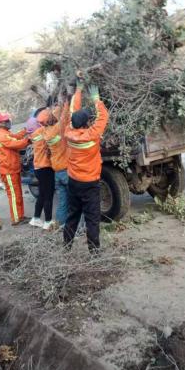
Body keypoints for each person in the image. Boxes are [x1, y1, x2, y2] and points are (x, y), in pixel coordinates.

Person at [63, 83, 109, 252]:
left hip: (74, 182)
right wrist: (97, 100)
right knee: (92, 219)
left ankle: (66, 247)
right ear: (85, 124)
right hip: (90, 184)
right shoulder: (91, 136)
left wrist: (79, 89)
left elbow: (72, 111)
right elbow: (103, 117)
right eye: (89, 120)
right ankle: (94, 253)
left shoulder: (69, 132)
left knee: (72, 216)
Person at [0, 112, 31, 226]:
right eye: (5, 121)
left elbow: (16, 137)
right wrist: (28, 140)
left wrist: (25, 131)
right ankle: (16, 219)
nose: (8, 122)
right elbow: (16, 144)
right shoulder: (1, 135)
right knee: (14, 196)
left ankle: (20, 216)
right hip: (8, 170)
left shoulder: (5, 133)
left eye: (8, 120)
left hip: (13, 169)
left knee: (18, 194)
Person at [44, 91, 72, 229]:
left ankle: (61, 225)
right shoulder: (58, 129)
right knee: (75, 200)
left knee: (62, 202)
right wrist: (67, 101)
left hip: (57, 172)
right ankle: (75, 226)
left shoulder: (46, 133)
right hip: (66, 170)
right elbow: (65, 117)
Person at [29, 108, 56, 230]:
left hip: (38, 168)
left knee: (42, 194)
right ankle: (48, 221)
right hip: (45, 168)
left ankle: (36, 218)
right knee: (48, 196)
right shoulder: (43, 132)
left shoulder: (34, 134)